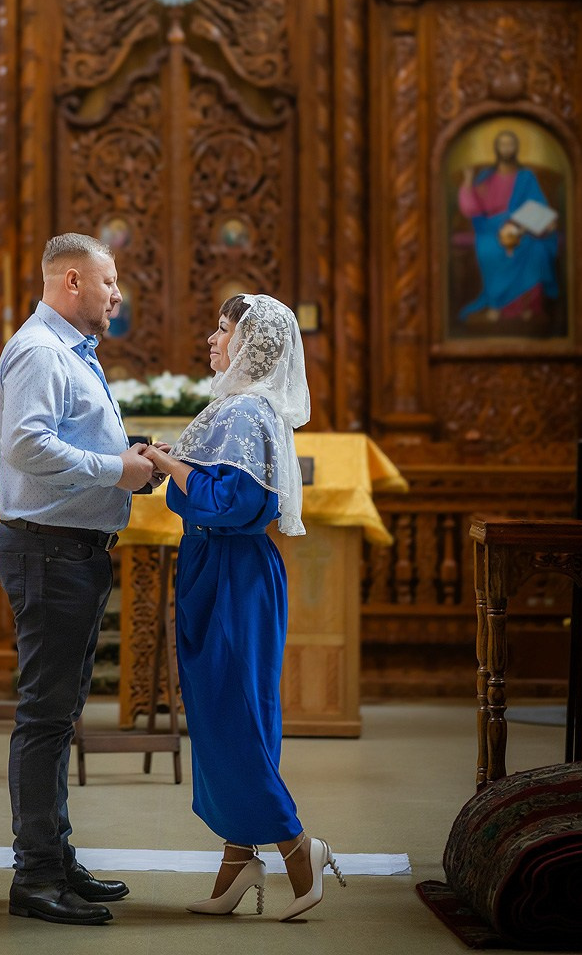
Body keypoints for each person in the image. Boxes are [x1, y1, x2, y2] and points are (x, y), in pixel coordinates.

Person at [145, 294, 346, 921]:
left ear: (250, 342)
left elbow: (229, 502)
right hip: (223, 571)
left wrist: (161, 460)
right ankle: (237, 862)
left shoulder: (243, 412)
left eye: (223, 329)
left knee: (233, 714)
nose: (211, 338)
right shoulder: (241, 408)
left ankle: (295, 845)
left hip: (231, 573)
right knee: (228, 715)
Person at [0, 232, 155, 926]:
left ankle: (54, 859)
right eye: (108, 282)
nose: (117, 295)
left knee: (57, 718)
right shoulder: (39, 350)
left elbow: (69, 441)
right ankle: (34, 877)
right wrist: (116, 470)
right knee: (44, 718)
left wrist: (129, 460)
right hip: (48, 551)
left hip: (71, 550)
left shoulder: (70, 352)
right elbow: (27, 445)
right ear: (70, 283)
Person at [458, 130, 559, 324]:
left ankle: (528, 306)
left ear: (516, 148)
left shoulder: (526, 177)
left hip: (521, 226)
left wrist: (536, 222)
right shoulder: (485, 177)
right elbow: (471, 209)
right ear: (496, 148)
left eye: (510, 144)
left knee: (537, 250)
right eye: (502, 144)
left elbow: (538, 206)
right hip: (490, 228)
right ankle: (497, 304)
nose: (506, 148)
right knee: (489, 249)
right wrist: (469, 180)